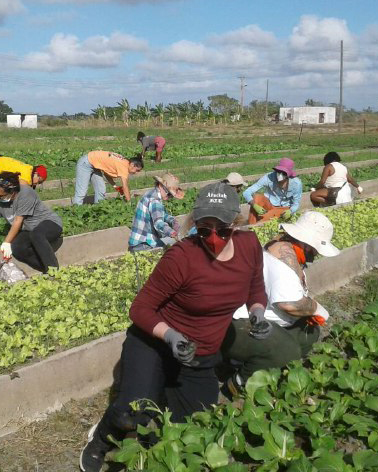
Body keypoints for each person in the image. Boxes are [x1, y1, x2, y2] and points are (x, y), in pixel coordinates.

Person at [80, 183, 269, 472]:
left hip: (200, 354)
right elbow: (140, 309)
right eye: (204, 230)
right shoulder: (182, 257)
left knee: (194, 432)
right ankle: (101, 439)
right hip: (154, 344)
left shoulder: (249, 247)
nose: (213, 238)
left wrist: (258, 312)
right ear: (195, 225)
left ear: (236, 224)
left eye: (222, 230)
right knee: (133, 413)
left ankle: (160, 399)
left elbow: (256, 287)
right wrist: (170, 335)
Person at [221, 211, 340, 397]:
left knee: (308, 333)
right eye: (315, 249)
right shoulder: (283, 258)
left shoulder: (285, 248)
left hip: (260, 319)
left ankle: (266, 366)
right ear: (307, 244)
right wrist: (316, 308)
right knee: (288, 350)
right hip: (240, 323)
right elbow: (289, 305)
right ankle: (238, 382)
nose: (316, 254)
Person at [0, 172, 63, 274]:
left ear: (12, 192)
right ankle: (46, 269)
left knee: (37, 235)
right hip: (29, 229)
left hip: (49, 223)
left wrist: (7, 242)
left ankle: (53, 271)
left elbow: (18, 220)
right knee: (17, 249)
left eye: (0, 195)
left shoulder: (26, 194)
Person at [0, 150, 48, 217]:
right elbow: (23, 194)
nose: (37, 183)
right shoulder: (27, 174)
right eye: (39, 181)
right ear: (36, 173)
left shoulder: (27, 169)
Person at [128, 173, 185, 252]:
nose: (168, 197)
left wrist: (172, 221)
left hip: (139, 240)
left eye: (171, 196)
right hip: (143, 243)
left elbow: (162, 214)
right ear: (161, 186)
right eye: (168, 194)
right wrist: (173, 233)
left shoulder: (151, 193)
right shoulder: (155, 200)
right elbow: (158, 223)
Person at [242, 158, 303, 225]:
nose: (280, 175)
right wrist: (254, 205)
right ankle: (251, 225)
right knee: (257, 197)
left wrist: (291, 211)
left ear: (288, 175)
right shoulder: (269, 177)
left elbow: (296, 204)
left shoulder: (296, 183)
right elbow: (247, 192)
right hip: (269, 204)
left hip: (284, 209)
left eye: (283, 173)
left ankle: (264, 220)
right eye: (278, 171)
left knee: (267, 218)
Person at [72, 150, 143, 205]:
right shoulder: (124, 166)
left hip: (95, 166)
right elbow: (125, 186)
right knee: (82, 190)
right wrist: (129, 202)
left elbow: (106, 174)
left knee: (101, 189)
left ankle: (99, 208)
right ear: (132, 165)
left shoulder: (125, 162)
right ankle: (76, 210)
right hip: (86, 163)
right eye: (137, 170)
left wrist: (115, 186)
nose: (135, 172)